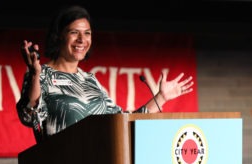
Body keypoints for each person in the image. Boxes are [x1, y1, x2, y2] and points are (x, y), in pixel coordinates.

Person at [16, 5, 194, 142]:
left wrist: (161, 97)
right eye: (74, 32)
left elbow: (122, 121)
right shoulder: (41, 75)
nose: (82, 40)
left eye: (87, 33)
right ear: (59, 36)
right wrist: (34, 73)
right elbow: (29, 116)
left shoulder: (90, 80)